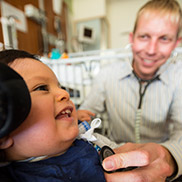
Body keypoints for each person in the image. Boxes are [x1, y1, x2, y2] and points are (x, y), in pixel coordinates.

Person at [78, 0, 182, 181]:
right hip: (115, 161)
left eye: (164, 39)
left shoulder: (179, 76)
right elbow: (86, 113)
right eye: (144, 37)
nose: (151, 50)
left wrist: (168, 156)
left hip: (163, 168)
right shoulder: (107, 75)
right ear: (131, 38)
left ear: (176, 43)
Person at [0, 49, 118, 182]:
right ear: (4, 134)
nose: (64, 93)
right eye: (42, 88)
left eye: (60, 86)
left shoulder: (89, 140)